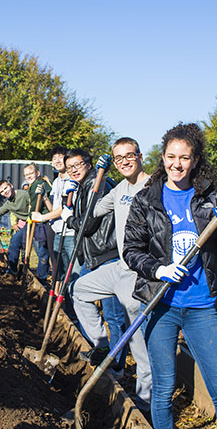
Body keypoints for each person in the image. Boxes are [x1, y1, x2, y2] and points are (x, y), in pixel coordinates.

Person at [123, 123, 217, 429]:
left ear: (195, 160)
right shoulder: (146, 200)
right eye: (171, 156)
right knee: (162, 391)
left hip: (201, 306)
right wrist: (158, 269)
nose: (177, 164)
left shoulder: (209, 197)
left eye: (185, 157)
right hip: (161, 305)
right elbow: (131, 250)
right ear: (162, 158)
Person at [70, 137, 152, 411]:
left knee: (141, 349)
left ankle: (143, 403)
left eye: (130, 155)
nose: (125, 161)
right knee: (79, 290)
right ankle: (101, 344)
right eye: (119, 158)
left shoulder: (155, 187)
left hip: (141, 272)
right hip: (118, 267)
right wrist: (96, 183)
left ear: (140, 156)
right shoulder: (118, 188)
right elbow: (93, 212)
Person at [59, 149, 127, 373]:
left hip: (108, 253)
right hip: (95, 255)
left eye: (78, 164)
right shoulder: (83, 186)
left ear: (88, 164)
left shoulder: (98, 183)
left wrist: (69, 220)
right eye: (70, 168)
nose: (74, 169)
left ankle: (116, 366)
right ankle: (100, 347)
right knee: (77, 290)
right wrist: (65, 200)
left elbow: (88, 224)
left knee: (113, 314)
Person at [32, 146, 77, 279]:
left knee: (72, 272)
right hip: (58, 232)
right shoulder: (57, 181)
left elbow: (65, 208)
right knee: (60, 271)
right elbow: (53, 209)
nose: (57, 161)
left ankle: (73, 299)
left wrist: (42, 217)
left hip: (70, 233)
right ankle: (61, 298)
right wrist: (45, 196)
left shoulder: (73, 180)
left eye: (60, 157)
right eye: (54, 158)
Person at [0, 180, 30, 277]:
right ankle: (12, 270)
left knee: (39, 250)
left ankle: (43, 277)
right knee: (15, 242)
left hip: (35, 222)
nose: (5, 192)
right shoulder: (8, 204)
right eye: (2, 191)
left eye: (6, 188)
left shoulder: (23, 194)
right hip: (25, 225)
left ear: (11, 186)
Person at [24, 163, 53, 285]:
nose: (28, 176)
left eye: (31, 173)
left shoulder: (38, 185)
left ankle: (42, 277)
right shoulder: (35, 184)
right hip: (40, 220)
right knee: (42, 250)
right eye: (26, 175)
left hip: (43, 221)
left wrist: (30, 216)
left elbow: (38, 204)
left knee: (42, 251)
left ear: (37, 173)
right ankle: (44, 273)